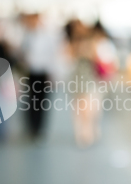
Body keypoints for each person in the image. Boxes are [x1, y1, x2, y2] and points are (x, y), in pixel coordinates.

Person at [65, 20, 102, 148]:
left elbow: (95, 57)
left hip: (88, 77)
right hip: (76, 78)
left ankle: (88, 132)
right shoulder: (71, 42)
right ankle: (81, 133)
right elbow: (67, 57)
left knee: (88, 107)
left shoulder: (92, 40)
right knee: (77, 106)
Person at [19, 13, 56, 140]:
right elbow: (22, 53)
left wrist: (51, 74)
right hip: (30, 72)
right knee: (30, 101)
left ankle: (40, 128)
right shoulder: (27, 35)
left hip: (43, 73)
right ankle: (31, 128)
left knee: (42, 101)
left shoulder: (47, 36)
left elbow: (52, 56)